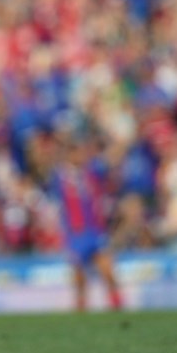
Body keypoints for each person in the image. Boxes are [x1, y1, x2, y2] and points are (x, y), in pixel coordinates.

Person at [48, 131, 123, 312]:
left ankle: (116, 305)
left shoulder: (92, 171)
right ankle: (81, 308)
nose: (81, 156)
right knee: (80, 276)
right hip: (76, 232)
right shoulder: (60, 177)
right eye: (77, 152)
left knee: (107, 270)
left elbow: (112, 159)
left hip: (95, 229)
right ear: (69, 154)